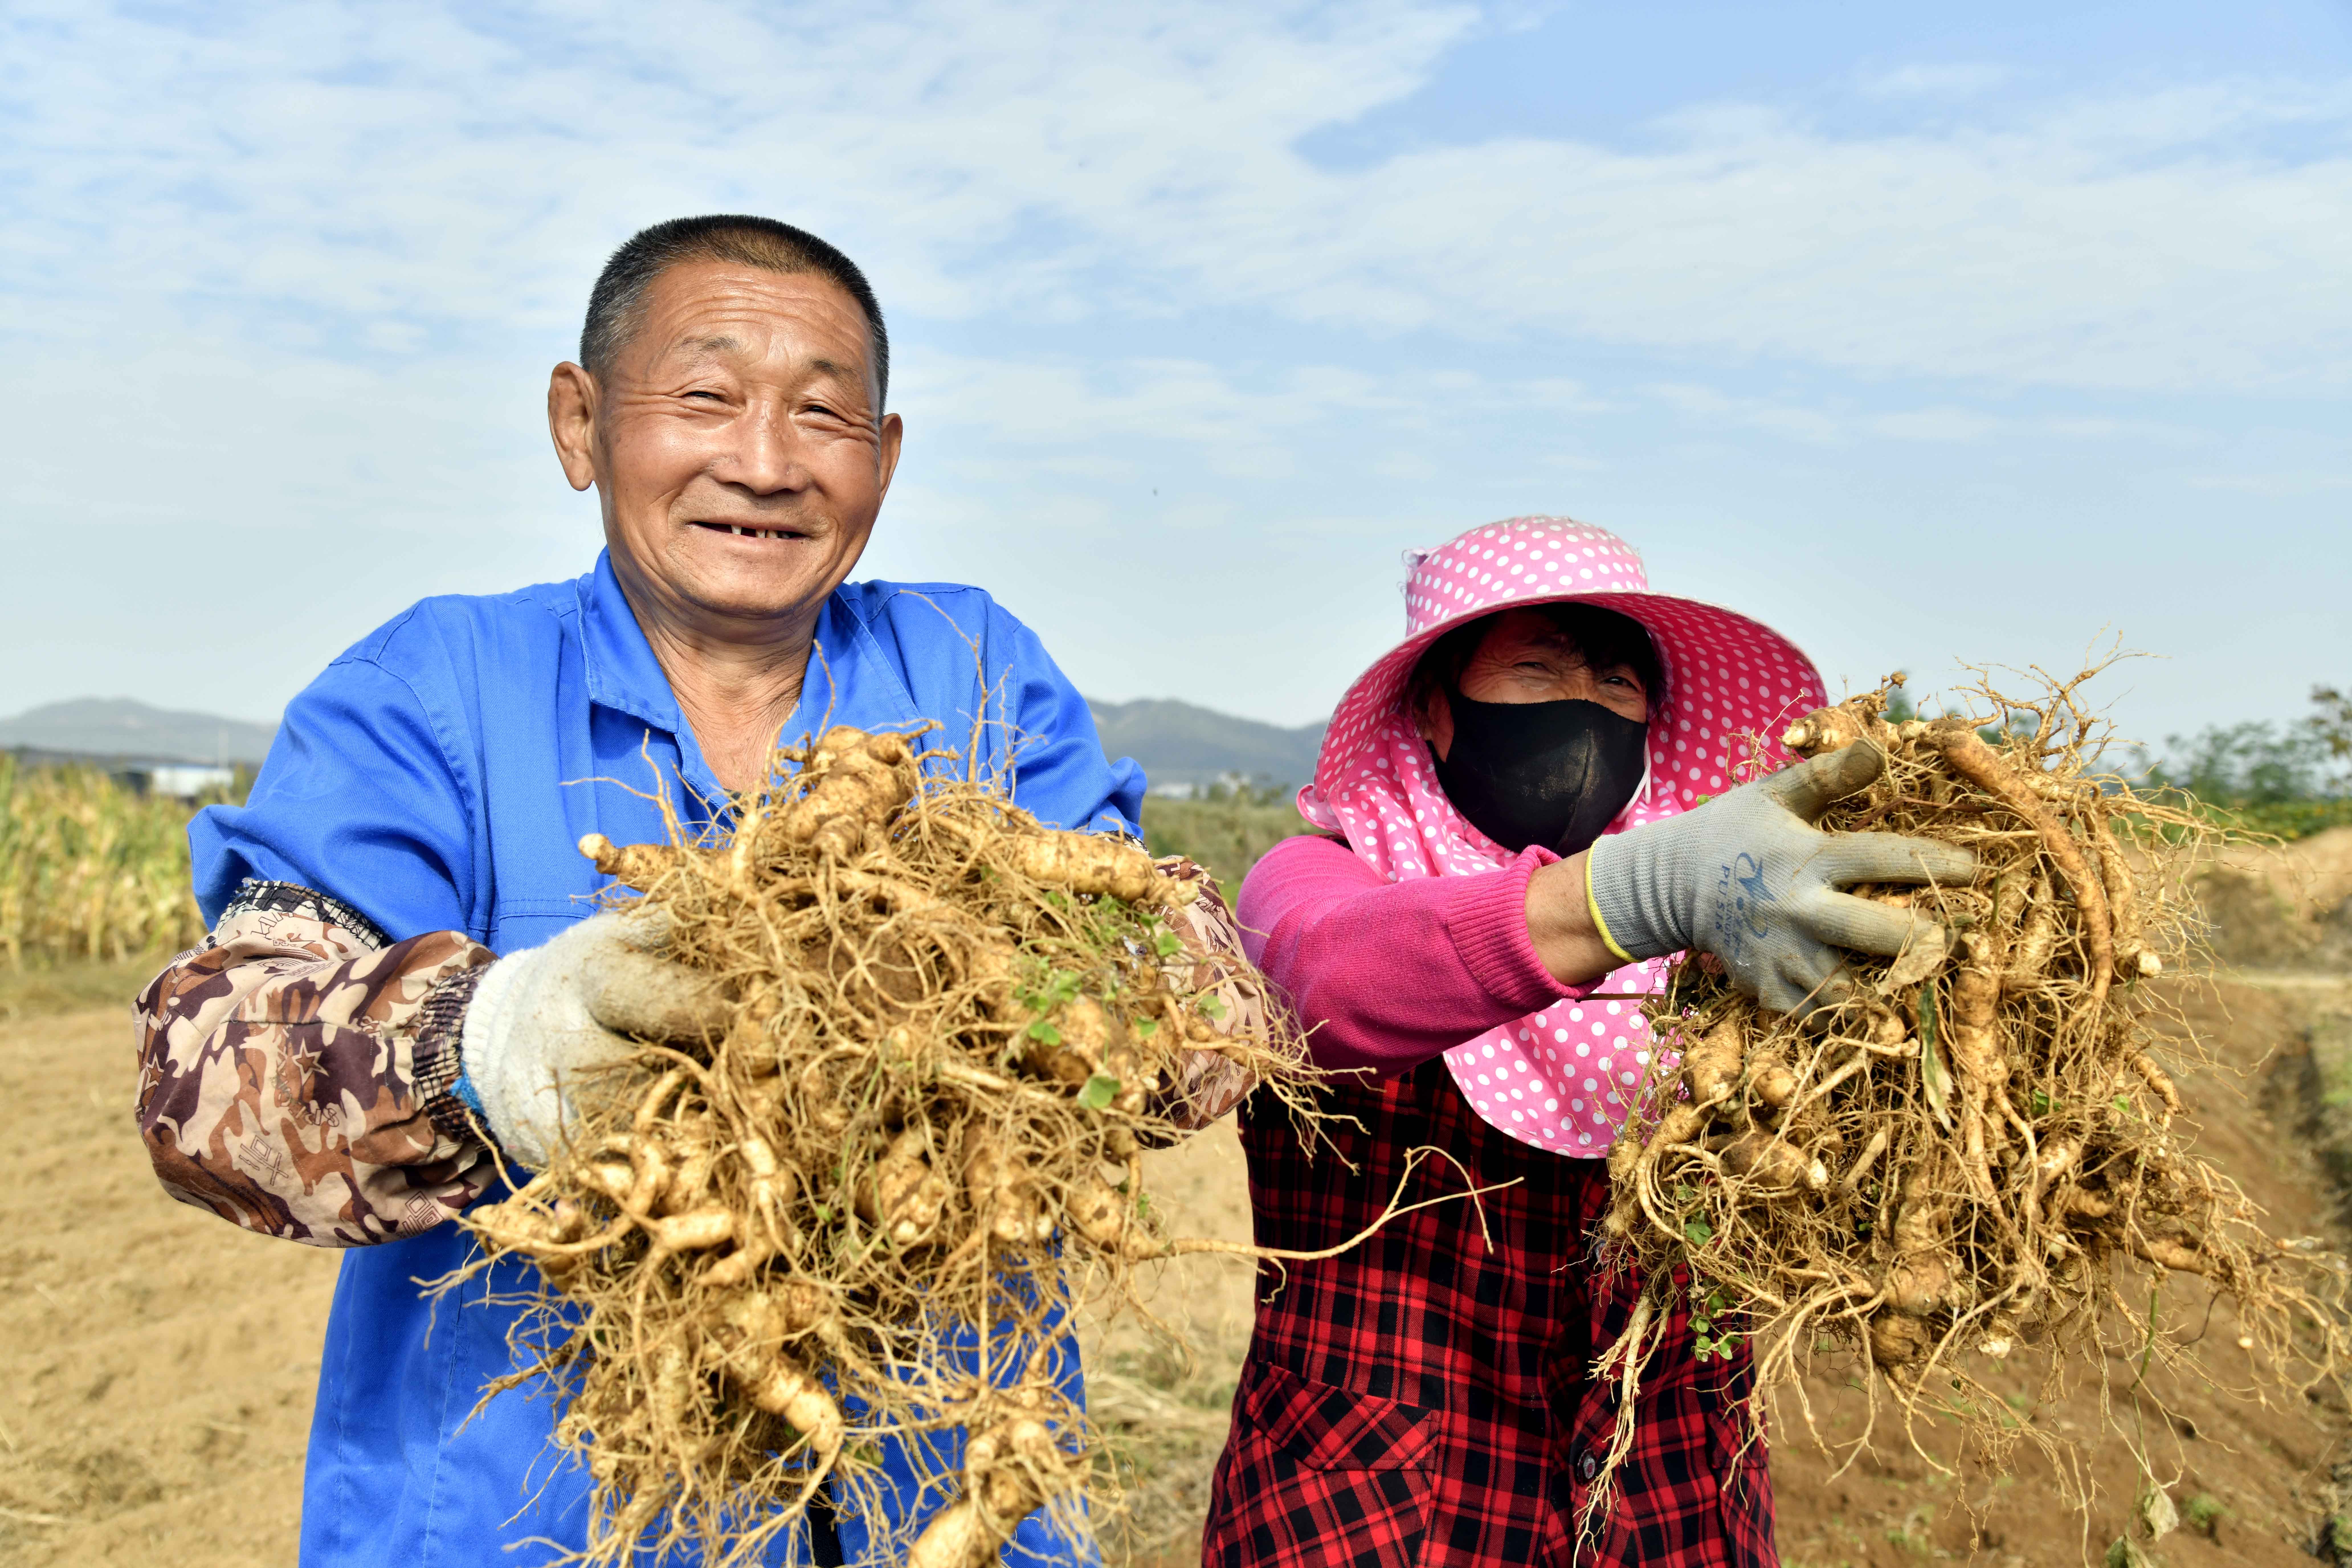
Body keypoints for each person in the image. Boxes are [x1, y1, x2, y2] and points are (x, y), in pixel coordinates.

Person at [134, 215, 1147, 1567]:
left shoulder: (977, 674)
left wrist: (1084, 1009)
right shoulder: (429, 693)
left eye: (823, 414)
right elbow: (203, 1079)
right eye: (707, 397)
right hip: (529, 1524)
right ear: (581, 422)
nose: (767, 462)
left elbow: (1160, 967)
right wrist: (492, 1044)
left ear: (885, 460)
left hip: (948, 1507)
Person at [1203, 517, 1973, 1567]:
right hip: (1376, 1500)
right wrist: (1636, 892)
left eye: (1618, 684)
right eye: (1537, 668)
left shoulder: (1739, 917)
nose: (1587, 705)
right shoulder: (1322, 874)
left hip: (1669, 1493)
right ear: (1433, 709)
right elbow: (1326, 980)